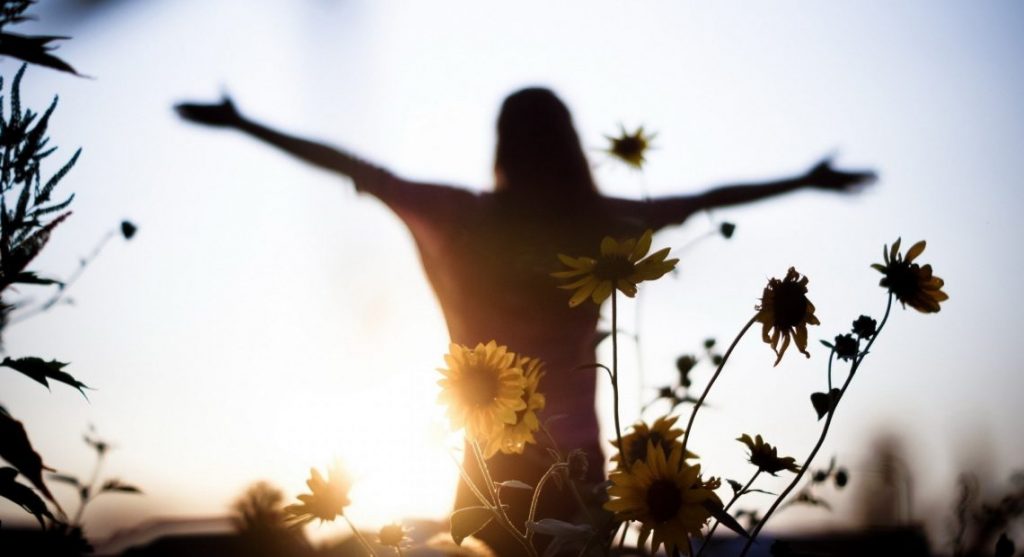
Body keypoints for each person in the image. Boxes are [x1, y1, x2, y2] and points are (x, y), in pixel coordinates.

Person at [176, 87, 874, 554]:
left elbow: (357, 168)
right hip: (579, 467)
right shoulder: (599, 222)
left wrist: (244, 123)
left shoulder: (462, 218)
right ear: (570, 144)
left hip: (487, 465)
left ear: (503, 147)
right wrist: (805, 180)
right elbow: (709, 197)